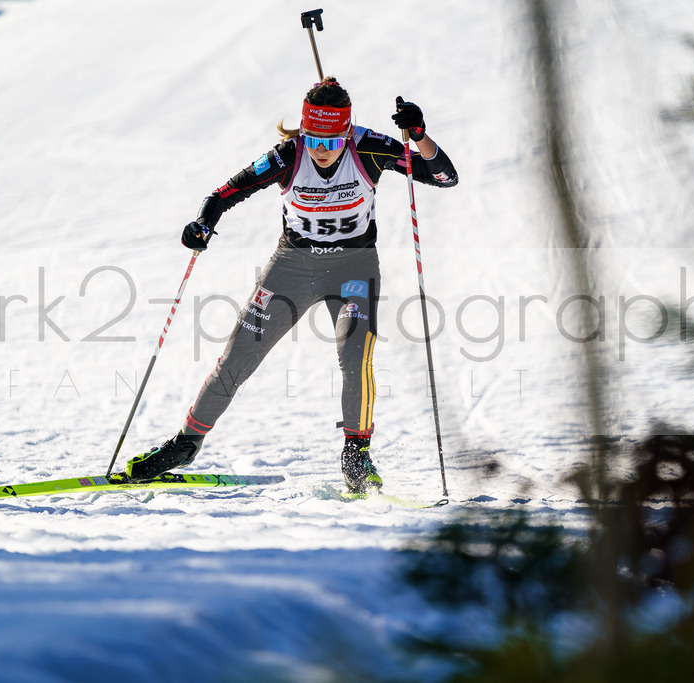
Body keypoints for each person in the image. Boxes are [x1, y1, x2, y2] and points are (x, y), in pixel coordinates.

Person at [124, 78, 458, 493]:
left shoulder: (369, 147)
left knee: (356, 356)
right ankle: (186, 443)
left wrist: (420, 137)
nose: (321, 151)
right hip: (291, 268)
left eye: (332, 143)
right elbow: (223, 194)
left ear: (346, 133)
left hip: (353, 269)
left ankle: (356, 454)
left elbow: (444, 177)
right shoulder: (288, 154)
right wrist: (202, 224)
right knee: (237, 360)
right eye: (313, 139)